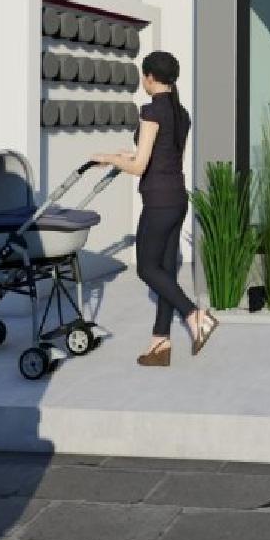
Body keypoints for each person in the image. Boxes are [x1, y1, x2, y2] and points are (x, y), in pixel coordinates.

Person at [92, 50, 215, 365]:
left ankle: (194, 315)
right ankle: (160, 344)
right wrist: (123, 156)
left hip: (158, 202)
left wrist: (110, 158)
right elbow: (165, 158)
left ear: (148, 77)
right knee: (166, 271)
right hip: (176, 198)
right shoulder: (181, 113)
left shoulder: (152, 112)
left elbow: (139, 167)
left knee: (147, 268)